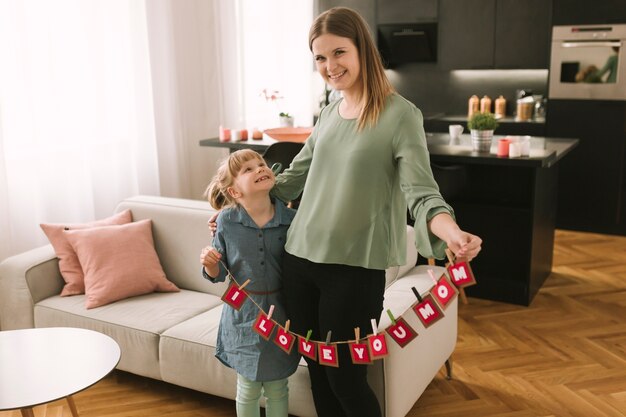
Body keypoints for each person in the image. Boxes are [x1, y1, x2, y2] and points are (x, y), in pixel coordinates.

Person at [211, 7, 482, 417]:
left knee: (347, 379)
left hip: (354, 270)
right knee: (318, 371)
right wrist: (232, 208)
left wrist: (451, 232)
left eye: (339, 53)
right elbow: (289, 180)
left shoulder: (400, 115)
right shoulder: (329, 114)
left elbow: (422, 193)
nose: (330, 66)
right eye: (320, 58)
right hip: (299, 261)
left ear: (363, 50)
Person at [200, 149, 299, 417]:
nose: (259, 169)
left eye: (261, 164)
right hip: (243, 315)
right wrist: (209, 262)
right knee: (248, 387)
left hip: (283, 315)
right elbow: (218, 273)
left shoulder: (292, 221)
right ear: (234, 192)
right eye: (248, 169)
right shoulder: (226, 221)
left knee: (279, 387)